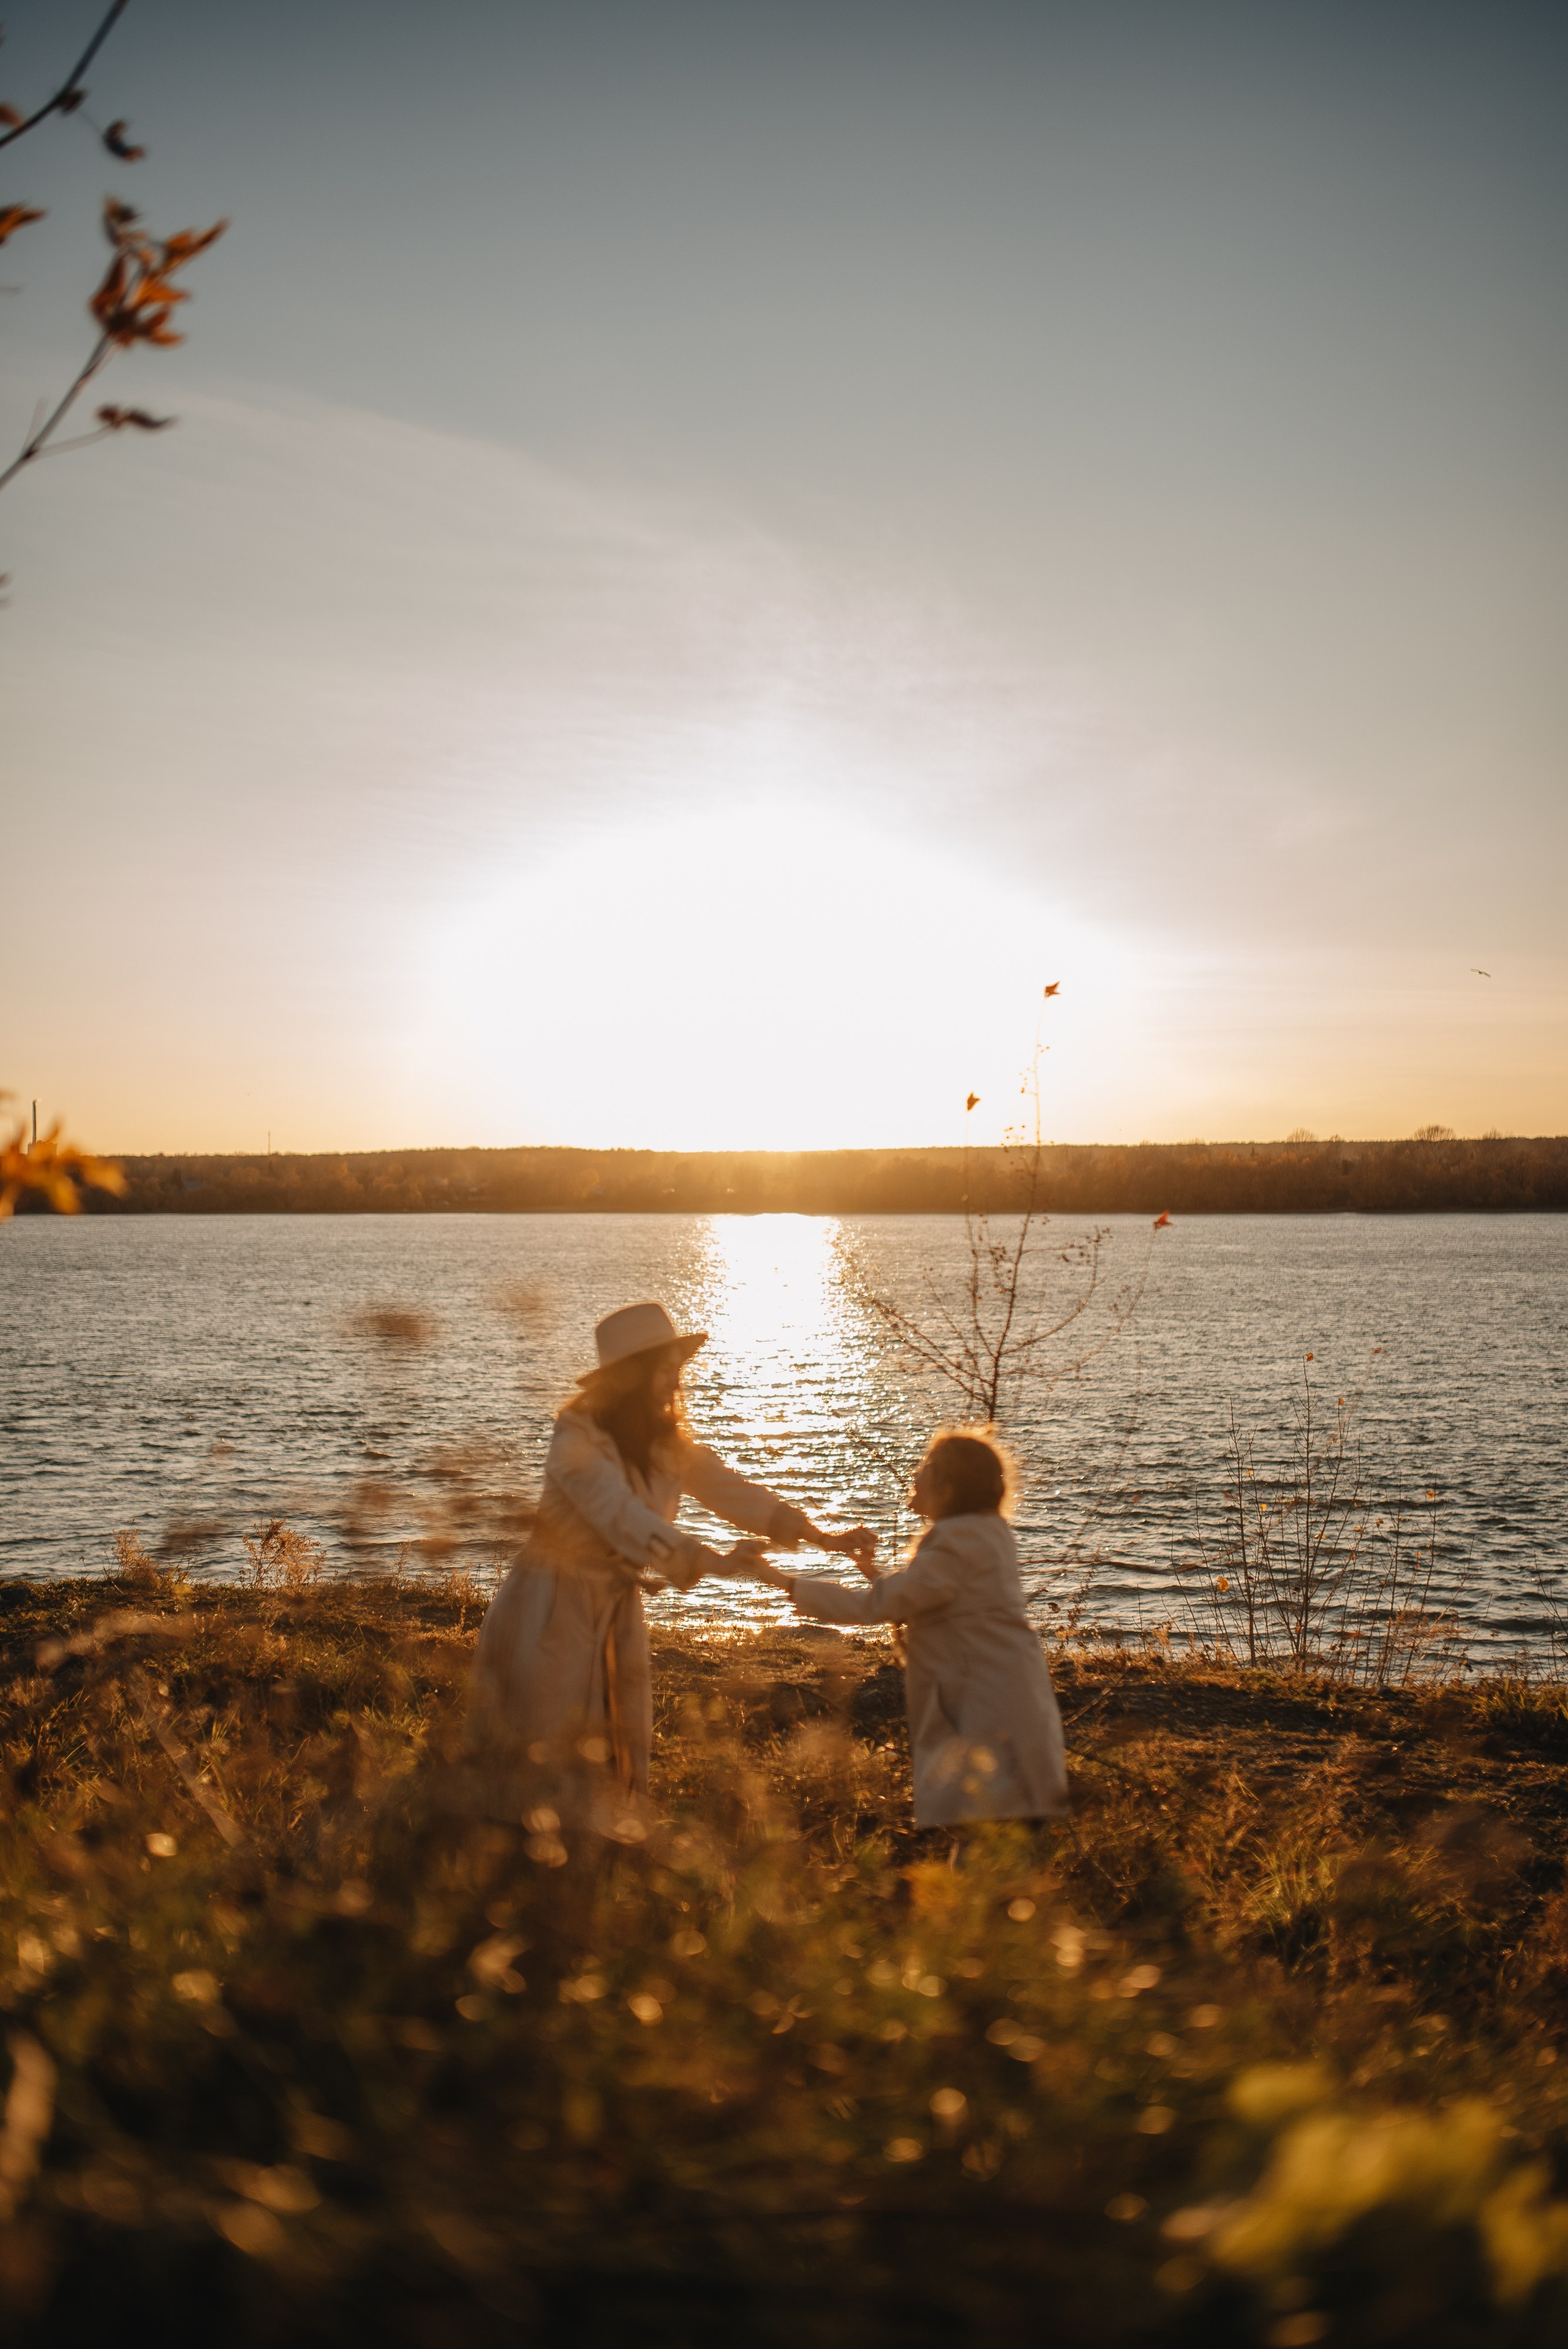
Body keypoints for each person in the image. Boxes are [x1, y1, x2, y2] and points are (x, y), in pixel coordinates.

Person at [469, 1300, 876, 1839]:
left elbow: (728, 1488)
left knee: (615, 1754)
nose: (675, 1382)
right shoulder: (576, 1439)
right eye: (666, 1369)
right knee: (543, 1752)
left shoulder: (663, 1443)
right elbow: (623, 1518)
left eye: (678, 1370)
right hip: (553, 1607)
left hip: (615, 1608)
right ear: (633, 1375)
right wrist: (709, 1560)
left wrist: (820, 1534)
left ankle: (598, 1865)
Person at [745, 1427, 1068, 1833]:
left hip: (988, 1729)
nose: (917, 1474)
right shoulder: (981, 1537)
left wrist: (781, 1581)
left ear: (947, 1489)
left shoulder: (954, 1547)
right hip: (1004, 1716)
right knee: (995, 1865)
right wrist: (874, 1573)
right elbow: (930, 1601)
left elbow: (873, 1606)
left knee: (985, 1864)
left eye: (926, 1466)